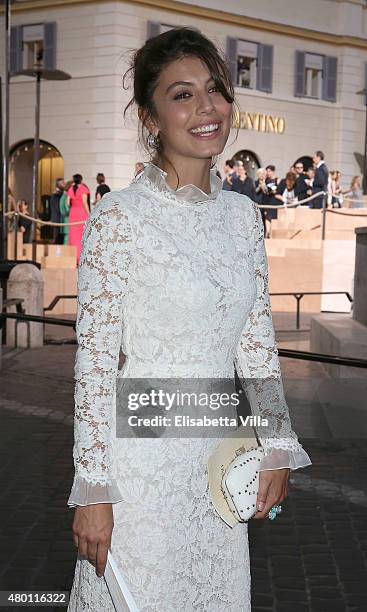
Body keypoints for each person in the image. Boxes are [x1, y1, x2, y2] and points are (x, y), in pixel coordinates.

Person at [67, 27, 311, 611]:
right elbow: (95, 365)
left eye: (215, 90)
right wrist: (93, 490)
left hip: (218, 466)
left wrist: (277, 441)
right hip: (142, 472)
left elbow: (255, 343)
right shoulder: (118, 219)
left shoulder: (242, 217)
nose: (207, 108)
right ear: (151, 119)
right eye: (182, 94)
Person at [66, 174, 90, 263]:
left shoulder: (70, 189)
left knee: (73, 235)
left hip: (73, 213)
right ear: (81, 180)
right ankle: (81, 258)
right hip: (81, 213)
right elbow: (84, 203)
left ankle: (73, 257)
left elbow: (67, 203)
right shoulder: (83, 189)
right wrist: (89, 214)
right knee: (81, 236)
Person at [50, 178, 65, 244]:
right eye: (62, 183)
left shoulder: (61, 194)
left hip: (60, 219)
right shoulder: (56, 195)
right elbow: (57, 208)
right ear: (58, 185)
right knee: (56, 239)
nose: (64, 184)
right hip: (57, 219)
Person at [59, 180, 72, 246]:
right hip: (67, 220)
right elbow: (66, 210)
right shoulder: (65, 197)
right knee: (67, 239)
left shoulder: (64, 197)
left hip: (66, 220)